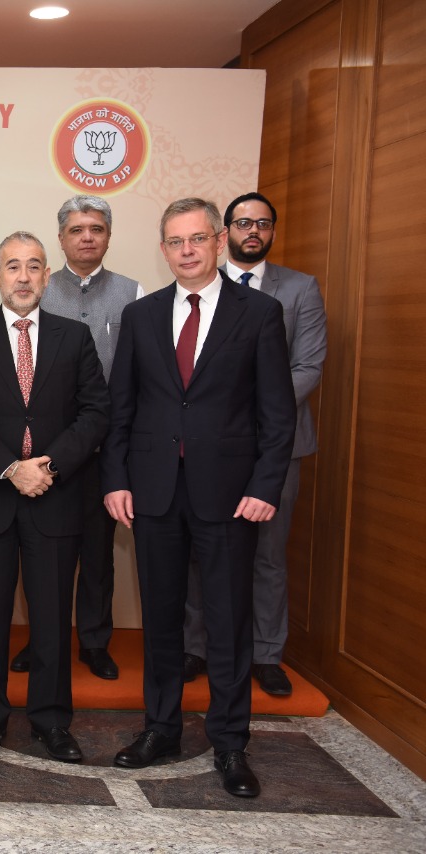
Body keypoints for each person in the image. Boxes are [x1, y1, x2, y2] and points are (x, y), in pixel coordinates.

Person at [102, 198, 295, 798]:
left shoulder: (259, 313)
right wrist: (116, 478)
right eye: (174, 241)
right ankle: (160, 728)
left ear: (217, 242)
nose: (186, 250)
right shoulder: (142, 316)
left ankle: (230, 743)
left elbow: (278, 415)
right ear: (163, 250)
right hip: (155, 492)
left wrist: (265, 487)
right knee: (160, 620)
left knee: (227, 623)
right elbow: (122, 409)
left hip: (231, 496)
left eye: (197, 238)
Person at [0, 232, 109, 762]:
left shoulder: (74, 336)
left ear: (46, 276)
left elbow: (95, 413)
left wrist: (48, 467)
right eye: (12, 266)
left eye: (33, 266)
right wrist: (12, 469)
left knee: (52, 620)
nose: (23, 276)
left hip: (55, 498)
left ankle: (52, 722)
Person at [182, 192, 328, 696]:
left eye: (262, 223)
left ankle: (267, 652)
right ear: (225, 234)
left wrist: (258, 409)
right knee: (202, 549)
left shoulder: (300, 288)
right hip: (212, 447)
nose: (252, 231)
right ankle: (195, 647)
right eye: (242, 222)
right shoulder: (201, 290)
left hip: (277, 447)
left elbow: (308, 366)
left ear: (271, 231)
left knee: (267, 552)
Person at [11, 195, 144, 681]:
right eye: (76, 229)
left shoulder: (133, 292)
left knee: (97, 551)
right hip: (45, 454)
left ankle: (93, 639)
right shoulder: (35, 287)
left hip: (107, 451)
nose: (87, 236)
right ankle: (41, 638)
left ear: (107, 236)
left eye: (96, 229)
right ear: (62, 237)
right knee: (41, 552)